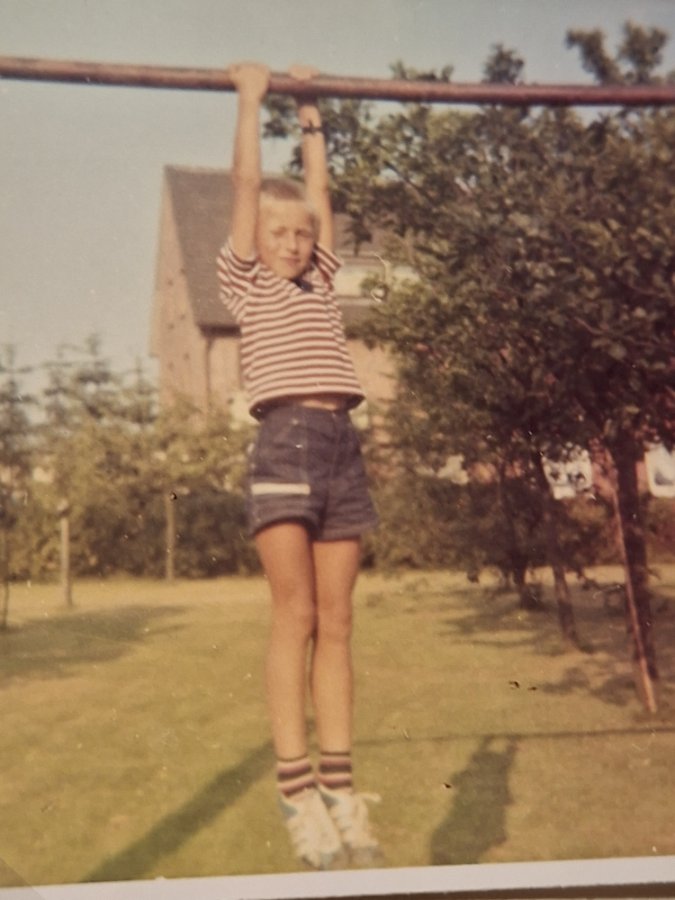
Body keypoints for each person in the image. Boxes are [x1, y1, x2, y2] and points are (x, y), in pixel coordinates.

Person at [216, 62, 381, 870]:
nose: (290, 242)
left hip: (341, 446)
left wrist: (311, 110)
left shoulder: (320, 278)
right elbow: (249, 185)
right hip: (284, 442)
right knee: (297, 615)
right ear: (256, 239)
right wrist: (252, 102)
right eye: (277, 233)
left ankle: (339, 789)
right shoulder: (244, 281)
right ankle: (295, 791)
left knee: (339, 621)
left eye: (301, 234)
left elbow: (319, 192)